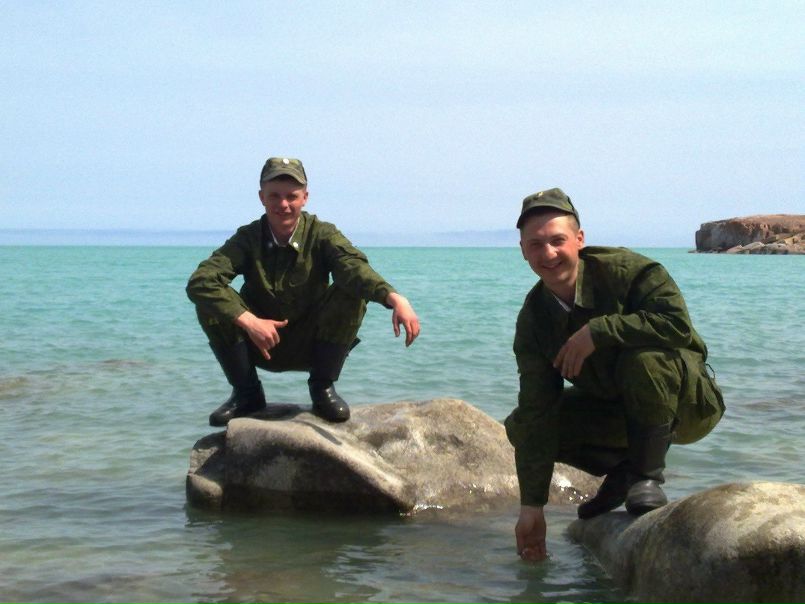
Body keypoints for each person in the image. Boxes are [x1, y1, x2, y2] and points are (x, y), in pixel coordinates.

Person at [504, 188, 725, 562]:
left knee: (645, 359)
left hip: (686, 405)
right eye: (536, 244)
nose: (548, 254)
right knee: (522, 425)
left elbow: (677, 327)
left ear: (579, 239)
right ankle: (625, 470)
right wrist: (532, 508)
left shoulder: (631, 273)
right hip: (619, 412)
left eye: (557, 240)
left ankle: (645, 477)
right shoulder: (535, 318)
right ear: (523, 250)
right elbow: (538, 409)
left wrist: (599, 331)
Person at [186, 157, 420, 426]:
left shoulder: (322, 234)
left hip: (313, 344)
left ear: (305, 198)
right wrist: (249, 321)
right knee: (210, 302)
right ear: (262, 197)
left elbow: (354, 269)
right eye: (274, 196)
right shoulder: (248, 238)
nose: (283, 204)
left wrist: (394, 298)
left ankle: (322, 388)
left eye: (291, 196)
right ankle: (247, 393)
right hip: (259, 342)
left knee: (352, 292)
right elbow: (201, 281)